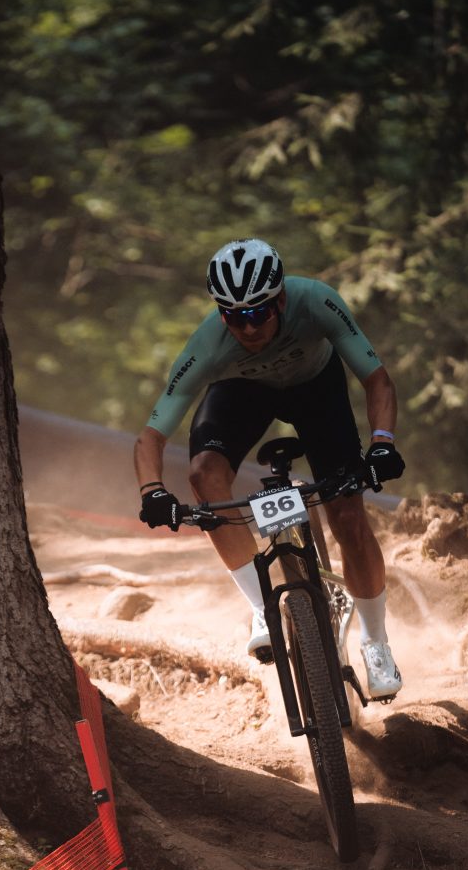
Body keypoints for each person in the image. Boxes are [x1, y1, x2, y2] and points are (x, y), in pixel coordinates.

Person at [133, 238, 405, 699]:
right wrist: (152, 492)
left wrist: (382, 444)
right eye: (235, 316)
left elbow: (377, 379)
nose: (249, 327)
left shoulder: (315, 299)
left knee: (348, 515)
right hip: (243, 392)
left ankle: (376, 642)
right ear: (222, 314)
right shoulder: (210, 344)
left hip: (316, 389)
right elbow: (151, 437)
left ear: (280, 298)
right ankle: (264, 608)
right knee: (203, 476)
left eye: (258, 312)